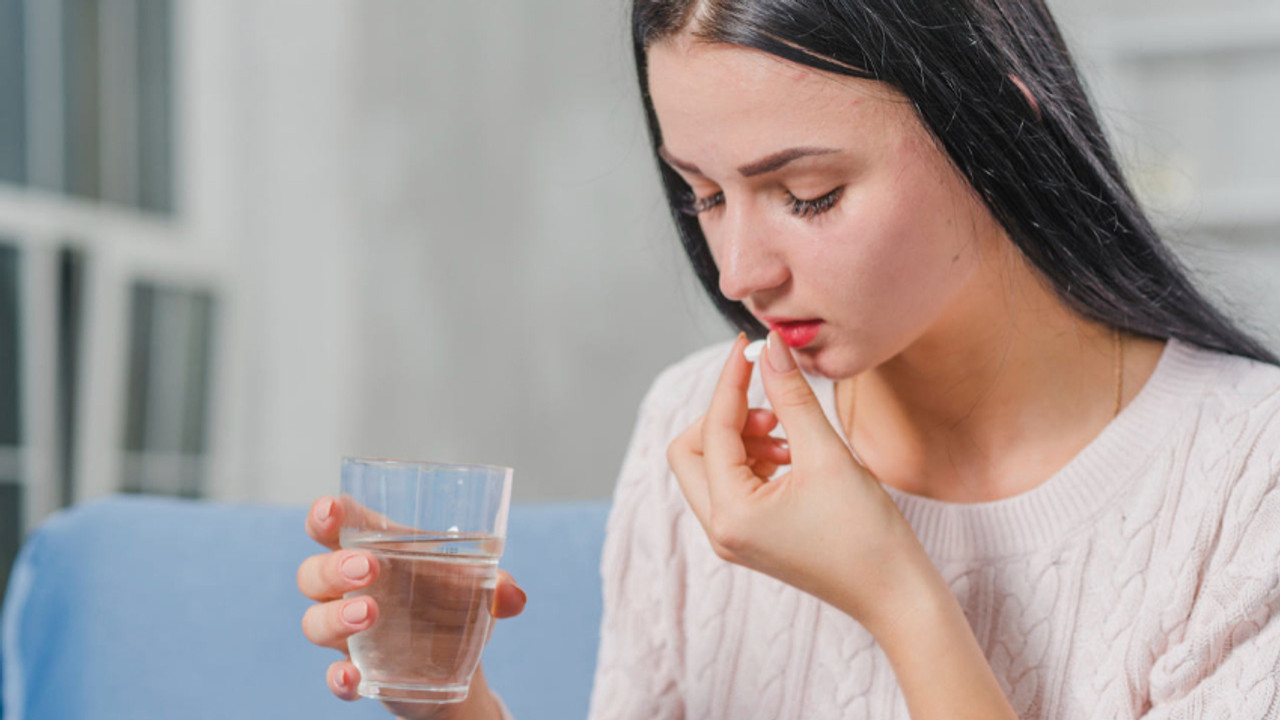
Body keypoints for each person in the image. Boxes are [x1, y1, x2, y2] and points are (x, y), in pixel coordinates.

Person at [297, 0, 1280, 717]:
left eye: (808, 194)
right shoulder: (696, 430)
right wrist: (451, 698)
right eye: (703, 195)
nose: (739, 273)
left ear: (1001, 129)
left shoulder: (1246, 480)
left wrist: (896, 594)